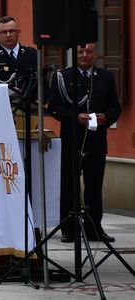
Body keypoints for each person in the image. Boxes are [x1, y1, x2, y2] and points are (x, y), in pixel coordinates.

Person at [48, 43, 121, 243]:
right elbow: (53, 107)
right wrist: (74, 117)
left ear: (95, 54)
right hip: (72, 138)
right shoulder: (63, 77)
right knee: (69, 184)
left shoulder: (106, 77)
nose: (84, 55)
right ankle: (68, 229)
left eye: (89, 51)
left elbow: (115, 107)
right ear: (75, 54)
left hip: (96, 140)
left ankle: (93, 227)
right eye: (80, 51)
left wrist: (106, 117)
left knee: (94, 185)